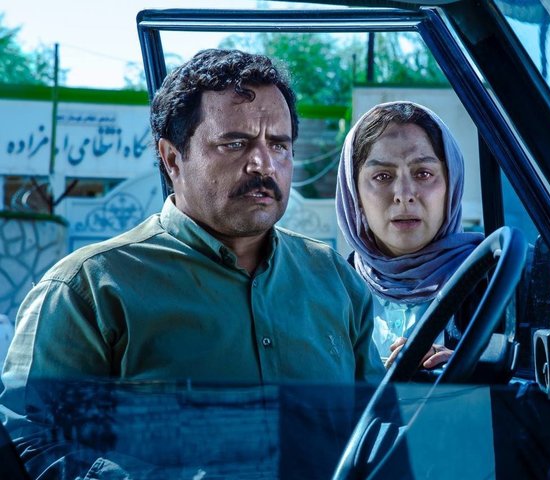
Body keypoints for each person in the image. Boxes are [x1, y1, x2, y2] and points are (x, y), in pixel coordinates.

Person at [0, 49, 383, 478]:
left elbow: (379, 427)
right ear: (171, 158)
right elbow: (31, 441)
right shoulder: (88, 290)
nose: (263, 163)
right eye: (234, 143)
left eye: (279, 144)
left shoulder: (333, 278)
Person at [336, 101, 486, 370]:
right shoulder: (331, 290)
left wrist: (466, 368)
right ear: (354, 193)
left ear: (451, 184)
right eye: (382, 176)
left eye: (423, 173)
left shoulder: (496, 279)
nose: (404, 195)